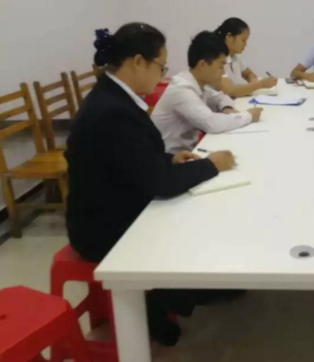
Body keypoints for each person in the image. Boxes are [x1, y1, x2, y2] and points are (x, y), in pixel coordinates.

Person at [65, 23, 239, 347]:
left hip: (115, 201)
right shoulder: (113, 110)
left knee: (198, 210)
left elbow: (131, 159)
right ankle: (162, 301)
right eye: (161, 66)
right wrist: (210, 164)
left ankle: (184, 291)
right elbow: (160, 184)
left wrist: (169, 160)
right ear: (137, 62)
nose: (162, 76)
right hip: (103, 226)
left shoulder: (113, 96)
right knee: (193, 221)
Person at [151, 31, 263, 153]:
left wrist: (226, 108)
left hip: (187, 151)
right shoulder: (182, 90)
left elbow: (221, 97)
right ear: (203, 64)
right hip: (169, 157)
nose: (223, 72)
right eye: (220, 66)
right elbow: (211, 123)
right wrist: (249, 115)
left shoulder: (200, 84)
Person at [216, 18, 277, 98]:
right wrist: (259, 85)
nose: (245, 44)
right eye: (243, 40)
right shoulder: (217, 58)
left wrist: (253, 82)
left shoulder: (234, 57)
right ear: (229, 37)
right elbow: (229, 91)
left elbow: (249, 74)